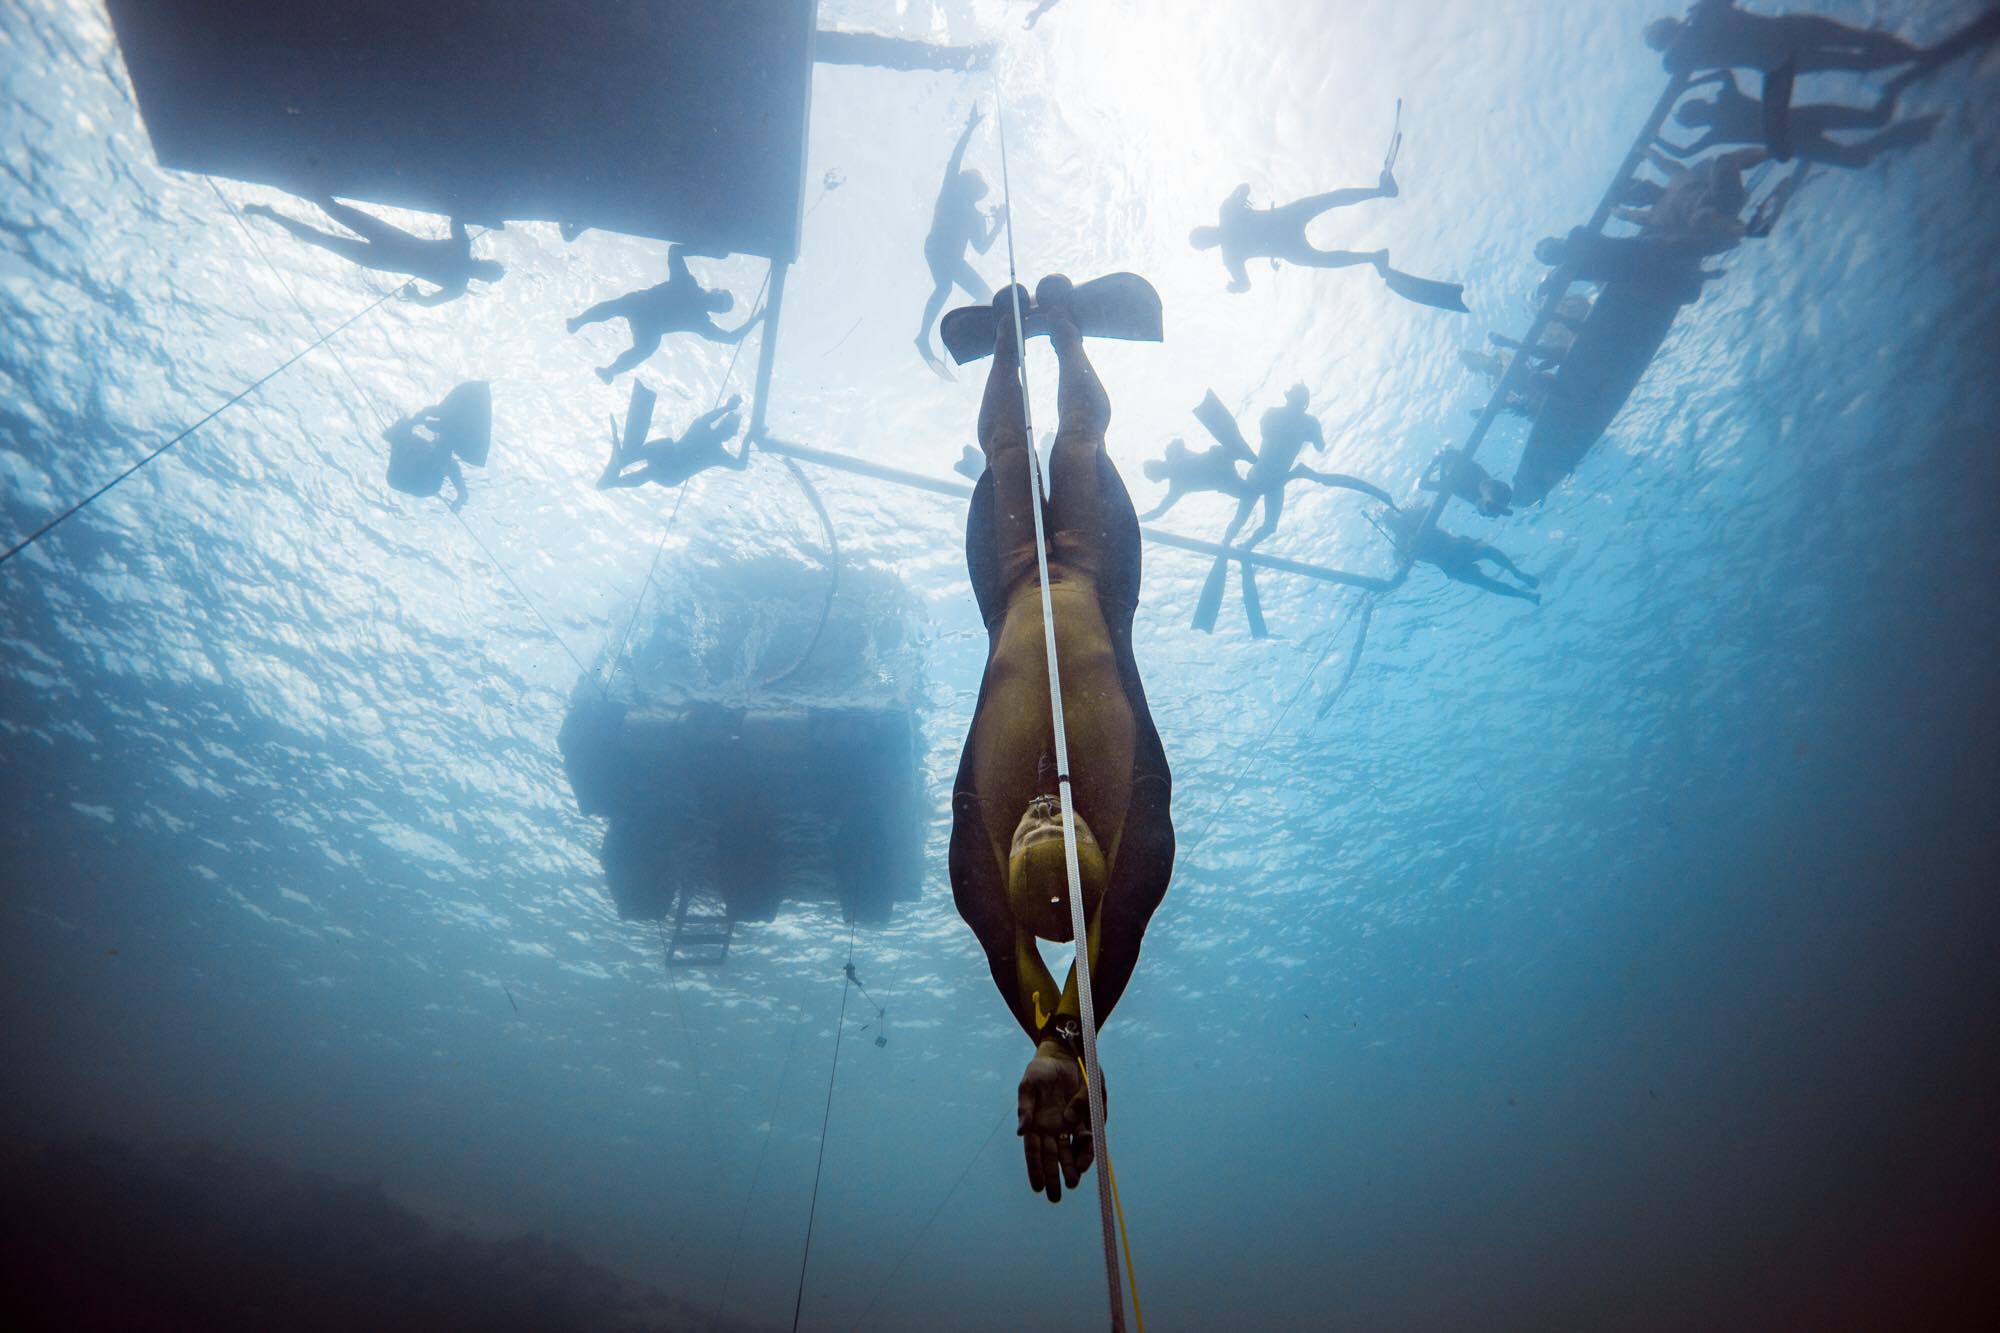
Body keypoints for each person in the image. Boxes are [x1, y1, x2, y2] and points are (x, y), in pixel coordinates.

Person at [949, 275, 1174, 1204]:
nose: (1046, 806)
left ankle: (1009, 342)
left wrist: (1047, 1039)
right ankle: (1069, 330)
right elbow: (1111, 944)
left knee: (1006, 446)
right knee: (1080, 439)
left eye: (1030, 825)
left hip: (1008, 586)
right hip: (1093, 569)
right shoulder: (1138, 851)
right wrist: (1075, 1042)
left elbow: (1014, 960)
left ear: (1005, 861)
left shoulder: (974, 875)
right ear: (1096, 858)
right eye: (1064, 824)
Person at [243, 197, 503, 303]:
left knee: (322, 238)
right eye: (486, 270)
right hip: (391, 243)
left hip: (384, 256)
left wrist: (415, 295)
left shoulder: (458, 281)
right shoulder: (461, 257)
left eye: (485, 274)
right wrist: (483, 217)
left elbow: (428, 303)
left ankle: (270, 214)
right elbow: (456, 218)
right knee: (337, 212)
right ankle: (308, 188)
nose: (480, 272)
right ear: (485, 264)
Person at [566, 244, 760, 382]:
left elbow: (731, 338)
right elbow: (675, 251)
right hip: (643, 305)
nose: (716, 302)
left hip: (649, 325)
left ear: (716, 310)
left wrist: (758, 318)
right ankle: (578, 322)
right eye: (720, 298)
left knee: (648, 346)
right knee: (620, 306)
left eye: (720, 304)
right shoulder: (688, 286)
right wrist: (710, 250)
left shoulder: (700, 319)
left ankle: (610, 371)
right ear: (714, 290)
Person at [1663, 72, 1939, 169]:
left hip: (1798, 141)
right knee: (1875, 119)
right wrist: (1686, 86)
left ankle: (1912, 132)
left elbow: (1683, 152)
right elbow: (1724, 72)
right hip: (1804, 117)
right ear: (1699, 104)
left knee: (1855, 159)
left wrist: (1652, 145)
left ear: (1697, 123)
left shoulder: (1717, 132)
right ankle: (1896, 90)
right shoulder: (1727, 98)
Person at [916, 106, 1006, 376]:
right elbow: (954, 160)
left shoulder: (976, 216)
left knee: (984, 295)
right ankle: (923, 337)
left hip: (951, 259)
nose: (975, 190)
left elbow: (981, 247)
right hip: (937, 249)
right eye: (973, 184)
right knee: (943, 288)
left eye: (978, 189)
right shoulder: (950, 193)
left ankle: (955, 330)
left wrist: (999, 224)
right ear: (965, 183)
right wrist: (969, 129)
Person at [1643, 2, 1923, 76]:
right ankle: (1913, 54)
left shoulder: (1675, 59)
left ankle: (1909, 61)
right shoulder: (1705, 12)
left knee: (1846, 62)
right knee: (1856, 39)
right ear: (1671, 22)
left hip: (1778, 63)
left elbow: (1670, 63)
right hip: (1788, 30)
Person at [1380, 506, 1540, 604]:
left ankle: (1518, 573)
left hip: (1459, 546)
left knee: (1489, 551)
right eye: (1390, 522)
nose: (1395, 523)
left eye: (1393, 518)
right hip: (1450, 565)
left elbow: (1431, 508)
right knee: (1486, 583)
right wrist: (1405, 558)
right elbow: (1401, 565)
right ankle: (1525, 595)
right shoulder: (1399, 546)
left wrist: (1412, 515)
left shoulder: (1413, 517)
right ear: (1388, 527)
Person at [597, 390, 746, 490]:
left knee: (652, 467)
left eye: (732, 429)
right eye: (730, 428)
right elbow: (740, 465)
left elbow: (740, 466)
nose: (730, 433)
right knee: (654, 464)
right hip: (669, 472)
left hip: (671, 473)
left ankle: (627, 459)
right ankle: (614, 479)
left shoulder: (715, 450)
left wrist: (728, 411)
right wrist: (727, 409)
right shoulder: (704, 433)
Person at [384, 381, 492, 510]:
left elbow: (389, 435)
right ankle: (446, 434)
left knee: (437, 455)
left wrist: (417, 420)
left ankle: (446, 434)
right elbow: (389, 435)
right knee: (438, 455)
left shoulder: (416, 445)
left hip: (415, 483)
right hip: (416, 483)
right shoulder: (413, 444)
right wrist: (417, 419)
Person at [1421, 447, 1513, 517]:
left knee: (1483, 490)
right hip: (1499, 493)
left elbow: (1423, 485)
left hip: (1494, 493)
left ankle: (1489, 505)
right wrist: (1438, 461)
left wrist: (1435, 462)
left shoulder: (1448, 483)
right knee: (1483, 492)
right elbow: (1423, 485)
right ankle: (1489, 505)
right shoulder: (1449, 481)